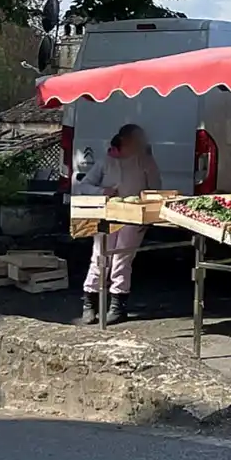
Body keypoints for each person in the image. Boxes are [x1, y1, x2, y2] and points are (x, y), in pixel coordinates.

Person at [76, 123, 160, 326]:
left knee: (122, 259)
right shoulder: (106, 161)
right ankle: (90, 304)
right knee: (99, 256)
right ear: (124, 141)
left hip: (133, 217)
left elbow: (156, 189)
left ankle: (117, 305)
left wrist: (146, 212)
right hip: (106, 215)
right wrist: (102, 192)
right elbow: (84, 185)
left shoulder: (145, 161)